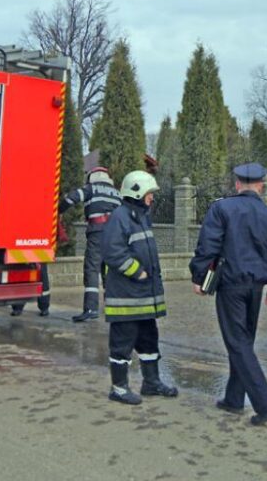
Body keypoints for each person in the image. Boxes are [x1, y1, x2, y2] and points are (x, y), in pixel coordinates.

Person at [189, 163, 267, 426]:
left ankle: (265, 403)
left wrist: (198, 277)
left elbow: (207, 245)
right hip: (256, 288)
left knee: (238, 343)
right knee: (243, 342)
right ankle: (234, 399)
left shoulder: (221, 208)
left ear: (236, 184)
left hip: (230, 284)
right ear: (260, 186)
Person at [102, 170, 178, 405]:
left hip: (143, 296)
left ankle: (151, 382)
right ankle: (119, 388)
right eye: (149, 193)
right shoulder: (120, 217)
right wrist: (138, 271)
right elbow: (113, 252)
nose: (151, 198)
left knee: (149, 340)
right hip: (126, 298)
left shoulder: (140, 216)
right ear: (136, 192)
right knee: (122, 343)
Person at [60, 167, 123, 322]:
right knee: (110, 269)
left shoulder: (91, 188)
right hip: (115, 235)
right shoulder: (117, 193)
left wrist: (58, 210)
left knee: (92, 268)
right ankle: (113, 305)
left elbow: (71, 198)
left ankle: (91, 308)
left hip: (98, 233)